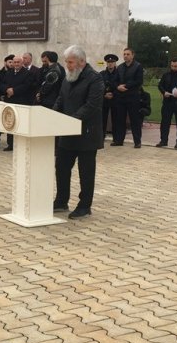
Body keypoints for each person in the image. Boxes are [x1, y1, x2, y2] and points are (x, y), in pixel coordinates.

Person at [52, 45, 104, 219]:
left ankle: (84, 206)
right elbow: (61, 98)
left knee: (86, 172)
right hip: (67, 134)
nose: (67, 65)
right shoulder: (68, 77)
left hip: (87, 134)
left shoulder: (95, 79)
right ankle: (61, 201)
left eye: (70, 62)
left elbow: (91, 105)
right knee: (61, 168)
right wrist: (52, 114)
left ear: (81, 62)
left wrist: (71, 120)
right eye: (66, 62)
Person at [112, 47, 144, 148]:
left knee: (135, 120)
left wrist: (126, 86)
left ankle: (137, 141)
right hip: (121, 97)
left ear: (132, 55)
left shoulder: (138, 66)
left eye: (128, 54)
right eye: (124, 54)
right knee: (120, 119)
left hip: (133, 97)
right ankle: (119, 140)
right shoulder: (120, 67)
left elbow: (139, 81)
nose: (125, 56)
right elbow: (115, 80)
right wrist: (118, 86)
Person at [1, 56, 34, 151]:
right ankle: (10, 144)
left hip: (21, 102)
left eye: (18, 62)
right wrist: (7, 90)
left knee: (20, 124)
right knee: (10, 123)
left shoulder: (28, 73)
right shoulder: (8, 72)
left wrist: (14, 90)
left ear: (22, 63)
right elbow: (2, 83)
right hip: (9, 101)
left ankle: (21, 145)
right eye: (14, 62)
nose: (16, 64)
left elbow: (26, 86)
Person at [0, 54, 14, 149]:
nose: (11, 64)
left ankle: (10, 143)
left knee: (10, 120)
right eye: (10, 62)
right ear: (5, 62)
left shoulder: (14, 73)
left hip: (10, 99)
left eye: (13, 62)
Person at [100, 54, 119, 141]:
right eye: (109, 62)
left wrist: (113, 94)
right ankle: (101, 136)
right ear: (106, 63)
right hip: (104, 99)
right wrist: (104, 94)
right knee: (102, 119)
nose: (110, 64)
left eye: (112, 62)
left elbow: (119, 85)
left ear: (115, 63)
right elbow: (98, 87)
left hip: (115, 99)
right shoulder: (102, 74)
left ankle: (116, 138)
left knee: (116, 119)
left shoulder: (119, 74)